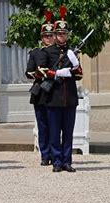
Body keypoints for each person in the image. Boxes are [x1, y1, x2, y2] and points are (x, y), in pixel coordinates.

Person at [40, 6, 83, 173]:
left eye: (64, 33)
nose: (61, 36)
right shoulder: (48, 51)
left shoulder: (72, 52)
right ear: (55, 35)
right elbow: (42, 71)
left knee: (68, 132)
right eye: (59, 33)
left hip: (69, 96)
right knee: (54, 132)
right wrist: (57, 73)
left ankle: (67, 161)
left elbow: (79, 74)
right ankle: (57, 161)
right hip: (53, 96)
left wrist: (75, 65)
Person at [25, 10, 55, 166]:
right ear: (42, 37)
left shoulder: (58, 53)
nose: (48, 39)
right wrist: (37, 74)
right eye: (45, 36)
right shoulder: (35, 53)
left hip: (54, 92)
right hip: (40, 93)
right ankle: (45, 154)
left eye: (51, 36)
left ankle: (55, 152)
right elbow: (28, 72)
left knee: (54, 126)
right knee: (43, 125)